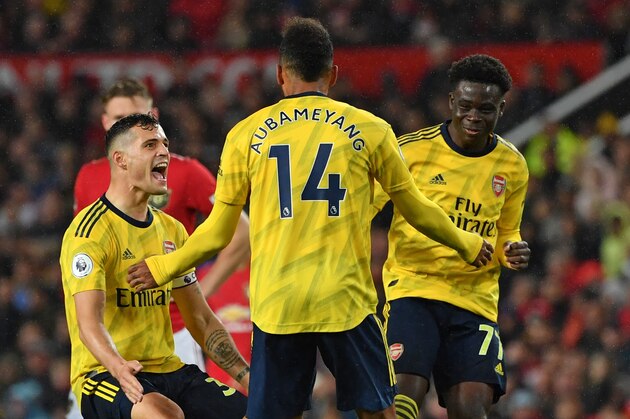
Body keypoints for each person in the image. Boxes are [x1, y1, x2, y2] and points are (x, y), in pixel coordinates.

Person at [127, 17, 493, 419]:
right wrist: (468, 242)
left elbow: (217, 233)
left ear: (281, 74)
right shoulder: (371, 130)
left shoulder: (246, 135)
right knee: (379, 412)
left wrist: (164, 265)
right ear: (333, 74)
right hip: (344, 301)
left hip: (278, 304)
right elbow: (417, 208)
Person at [60, 113, 249, 418]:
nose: (163, 152)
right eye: (150, 145)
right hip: (105, 376)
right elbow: (89, 324)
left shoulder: (172, 230)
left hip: (170, 370)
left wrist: (247, 377)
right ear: (120, 160)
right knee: (164, 415)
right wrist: (118, 367)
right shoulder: (90, 232)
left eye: (164, 144)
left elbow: (200, 319)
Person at [373, 54, 531, 419]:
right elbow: (366, 207)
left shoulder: (513, 165)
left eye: (486, 108)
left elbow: (508, 230)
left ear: (501, 108)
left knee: (470, 407)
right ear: (451, 103)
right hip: (413, 289)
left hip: (474, 300)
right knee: (403, 395)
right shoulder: (410, 151)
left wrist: (512, 250)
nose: (474, 116)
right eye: (466, 106)